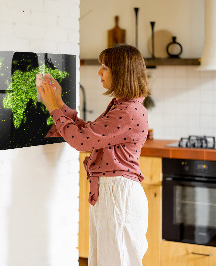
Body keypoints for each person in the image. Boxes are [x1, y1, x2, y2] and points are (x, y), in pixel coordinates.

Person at [38, 44, 150, 266]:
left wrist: (53, 108)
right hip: (113, 193)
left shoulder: (127, 111)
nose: (99, 72)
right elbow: (89, 133)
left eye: (105, 67)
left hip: (118, 195)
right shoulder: (123, 106)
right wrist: (59, 103)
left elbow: (81, 141)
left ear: (121, 72)